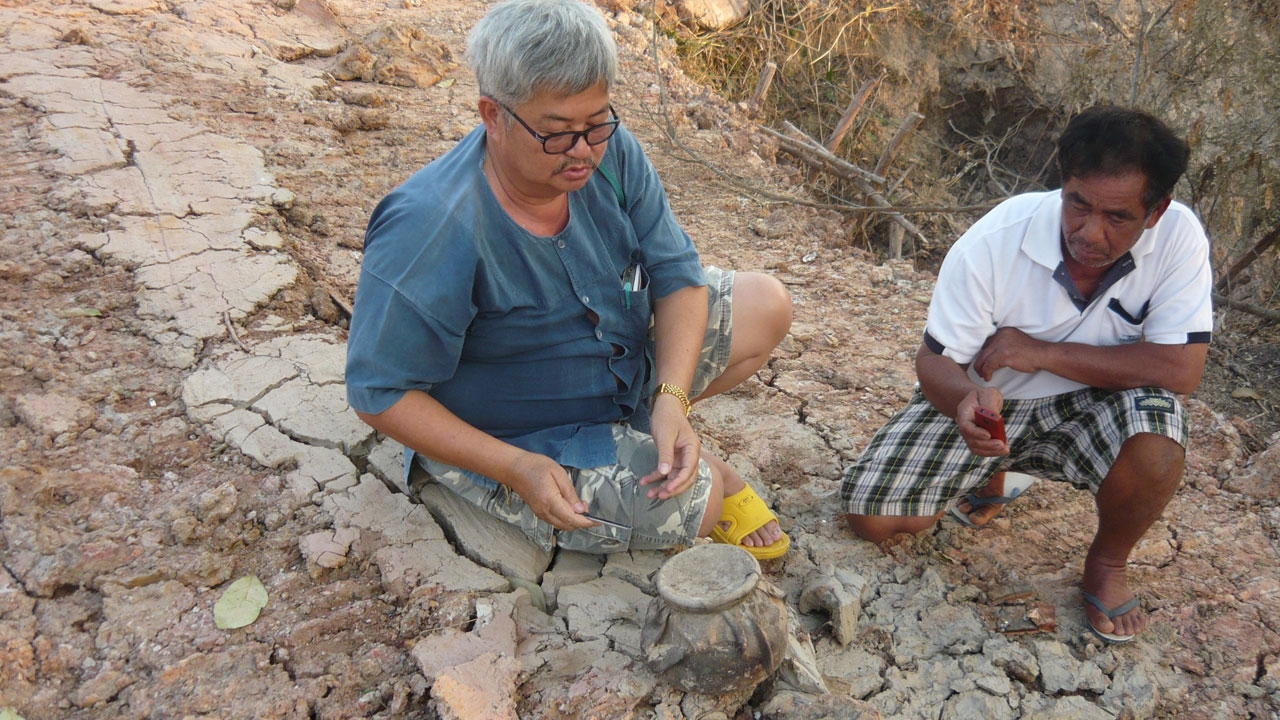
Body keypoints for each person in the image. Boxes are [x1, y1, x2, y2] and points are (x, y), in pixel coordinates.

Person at [345, 0, 791, 560]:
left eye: (596, 122)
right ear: (493, 115)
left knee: (767, 305)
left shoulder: (610, 150)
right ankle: (510, 472)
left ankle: (641, 427)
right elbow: (378, 392)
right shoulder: (431, 226)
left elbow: (677, 277)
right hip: (519, 435)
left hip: (621, 368)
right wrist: (514, 466)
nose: (584, 151)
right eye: (557, 133)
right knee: (696, 505)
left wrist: (671, 400)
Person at [839, 105, 1212, 643]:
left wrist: (1039, 352)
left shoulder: (1179, 238)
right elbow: (933, 361)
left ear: (1155, 212)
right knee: (870, 518)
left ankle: (1107, 563)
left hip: (1097, 404)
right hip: (996, 402)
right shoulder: (996, 240)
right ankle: (996, 471)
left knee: (1159, 436)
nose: (1090, 231)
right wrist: (967, 400)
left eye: (1117, 217)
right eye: (1077, 205)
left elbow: (1181, 368)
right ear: (1063, 185)